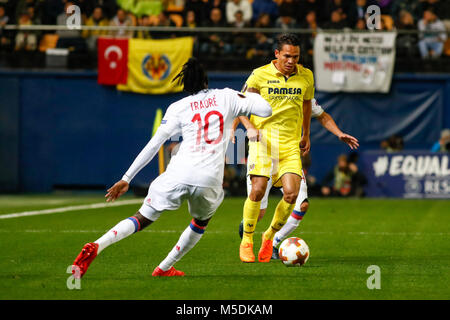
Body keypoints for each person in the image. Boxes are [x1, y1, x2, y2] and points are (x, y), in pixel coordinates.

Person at [71, 58, 272, 278]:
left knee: (142, 217)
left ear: (185, 86)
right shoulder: (226, 96)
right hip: (208, 179)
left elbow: (154, 144)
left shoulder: (178, 107)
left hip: (178, 172)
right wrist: (245, 96)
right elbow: (265, 109)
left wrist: (127, 178)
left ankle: (97, 245)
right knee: (200, 222)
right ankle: (164, 267)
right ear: (206, 81)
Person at [234, 98, 360, 257]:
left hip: (289, 156)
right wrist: (233, 130)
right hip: (263, 154)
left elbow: (322, 115)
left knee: (301, 205)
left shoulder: (300, 90)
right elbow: (240, 107)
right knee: (259, 213)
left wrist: (339, 133)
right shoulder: (264, 82)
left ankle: (272, 240)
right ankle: (247, 229)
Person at [237, 33, 314, 263]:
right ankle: (247, 241)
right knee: (258, 190)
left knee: (291, 194)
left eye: (296, 57)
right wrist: (249, 126)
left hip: (290, 144)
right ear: (277, 54)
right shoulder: (259, 75)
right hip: (263, 142)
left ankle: (269, 236)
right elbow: (240, 104)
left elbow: (308, 104)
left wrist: (306, 133)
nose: (292, 61)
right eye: (288, 56)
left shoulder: (306, 76)